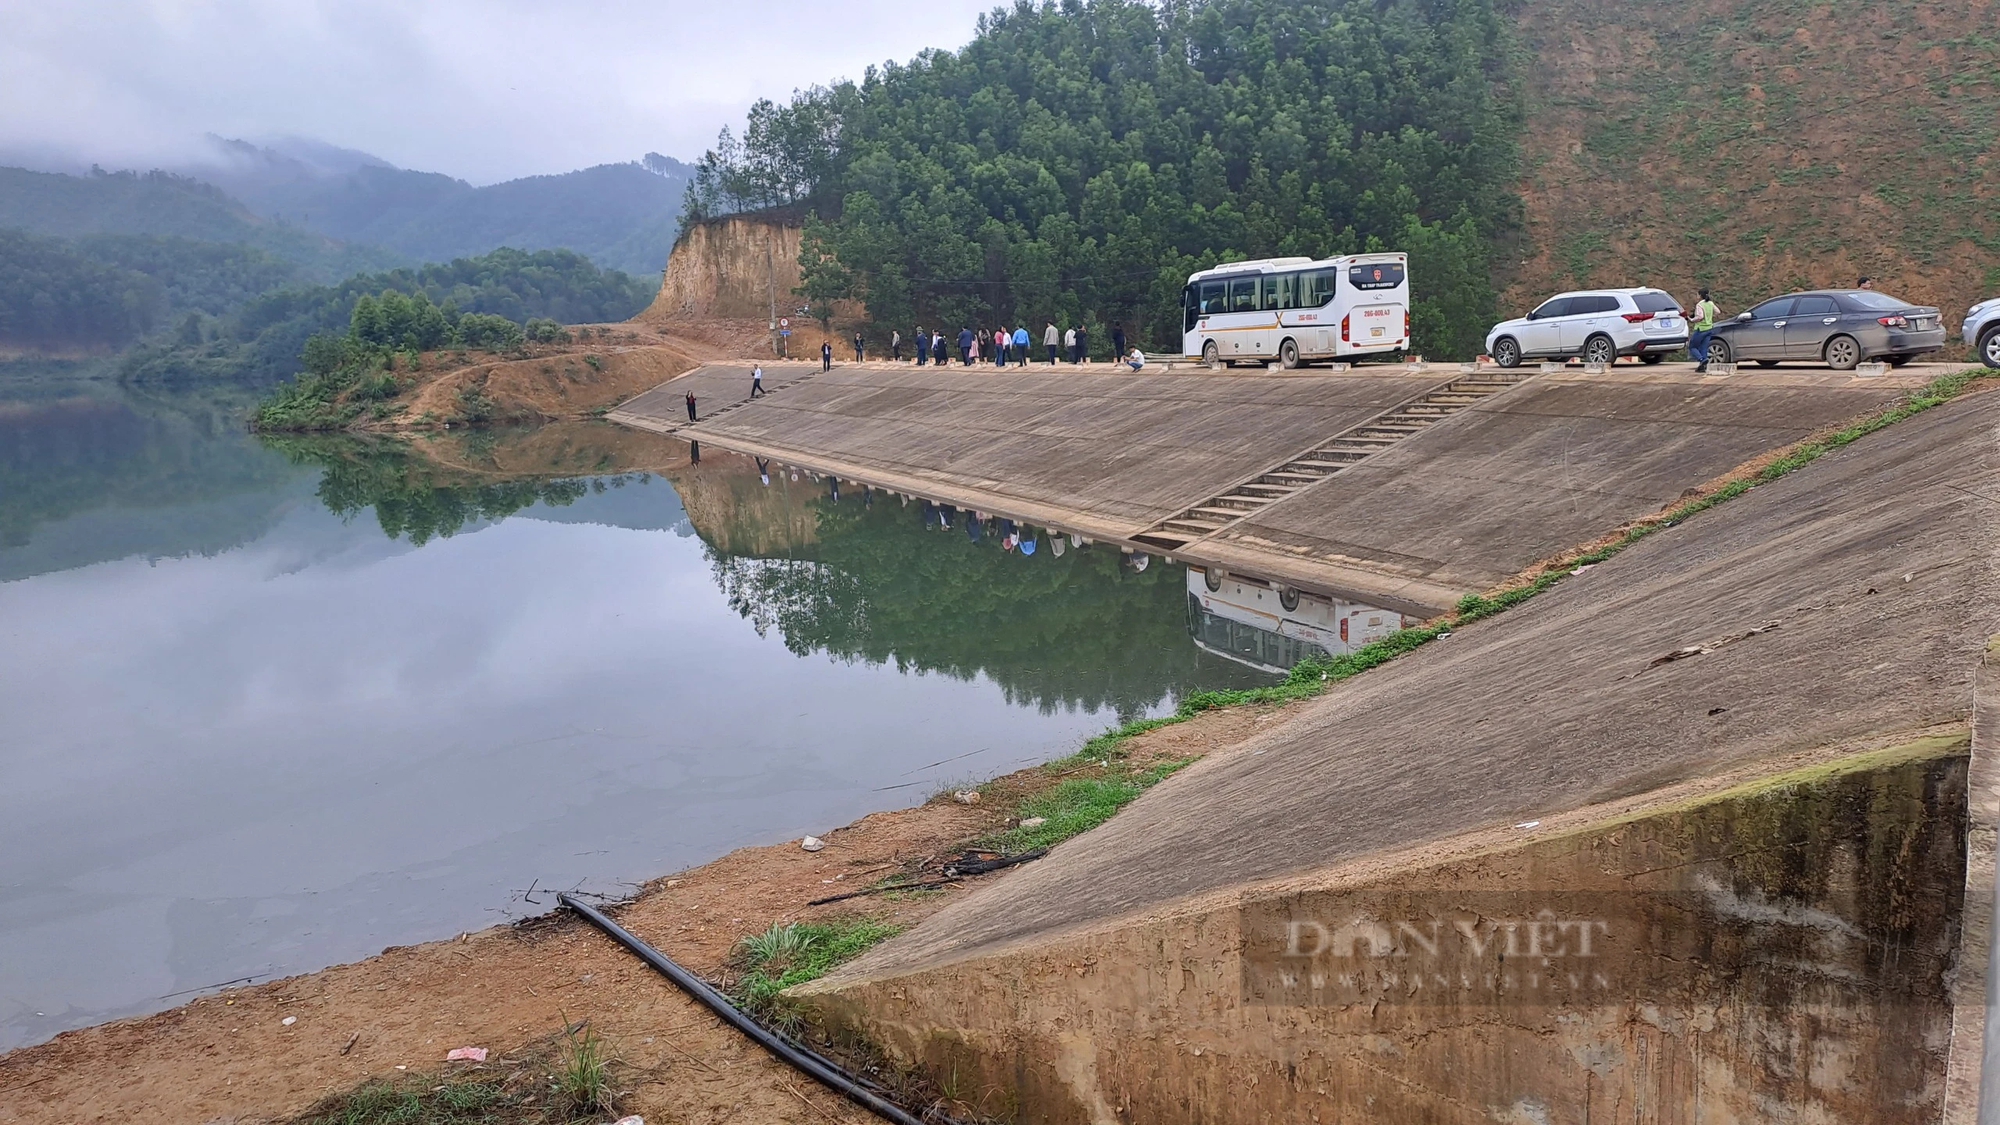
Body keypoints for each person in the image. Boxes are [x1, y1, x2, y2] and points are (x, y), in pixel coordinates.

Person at [1687, 288, 1721, 373]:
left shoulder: (1700, 305)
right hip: (1709, 328)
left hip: (1700, 329)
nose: (1697, 296)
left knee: (1692, 346)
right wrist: (1710, 317)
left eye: (1697, 294)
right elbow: (1718, 312)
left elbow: (1700, 317)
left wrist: (1691, 319)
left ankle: (1701, 359)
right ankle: (1703, 366)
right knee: (1704, 347)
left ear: (1700, 295)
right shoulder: (1710, 303)